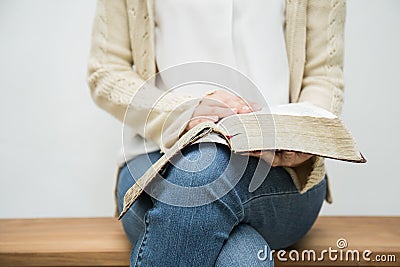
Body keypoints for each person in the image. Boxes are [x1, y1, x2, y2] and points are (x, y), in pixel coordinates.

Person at [87, 0, 346, 266]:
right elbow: (106, 72)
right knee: (242, 258)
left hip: (282, 174)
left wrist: (303, 135)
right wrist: (181, 111)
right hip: (156, 157)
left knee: (199, 181)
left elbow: (322, 75)